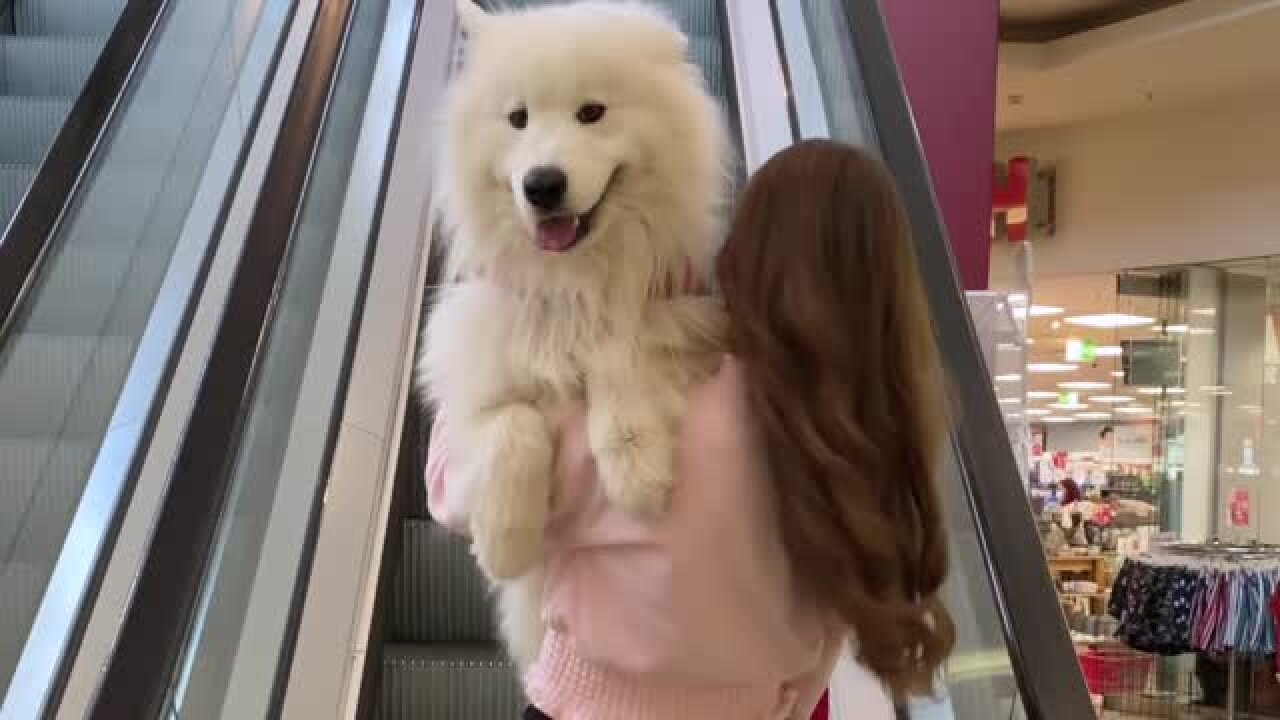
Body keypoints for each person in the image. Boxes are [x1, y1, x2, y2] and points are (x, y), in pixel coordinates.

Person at [427, 139, 954, 719]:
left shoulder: (655, 401)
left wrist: (488, 334)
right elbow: (815, 661)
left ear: (746, 249)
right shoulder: (863, 454)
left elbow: (455, 495)